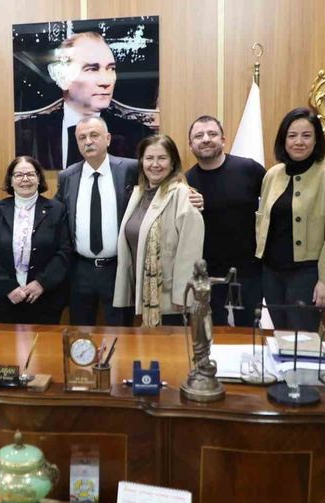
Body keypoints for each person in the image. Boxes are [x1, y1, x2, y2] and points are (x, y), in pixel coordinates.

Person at [56, 117, 202, 326]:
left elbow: (166, 182)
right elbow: (57, 213)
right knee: (80, 331)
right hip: (80, 270)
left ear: (108, 138)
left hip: (119, 268)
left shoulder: (130, 169)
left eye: (94, 135)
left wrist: (192, 196)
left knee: (121, 332)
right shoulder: (67, 176)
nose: (88, 141)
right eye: (82, 137)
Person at [255, 107, 325, 332]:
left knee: (303, 339)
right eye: (292, 135)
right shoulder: (272, 175)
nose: (299, 142)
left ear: (316, 140)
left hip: (307, 275)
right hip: (271, 273)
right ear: (283, 140)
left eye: (306, 135)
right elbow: (262, 222)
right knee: (280, 334)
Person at [15, 31, 153, 169]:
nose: (106, 81)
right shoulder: (26, 133)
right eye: (92, 69)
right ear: (64, 77)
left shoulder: (138, 136)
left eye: (111, 68)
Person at [113, 134, 204, 327]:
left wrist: (183, 296)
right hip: (140, 293)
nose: (155, 164)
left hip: (171, 300)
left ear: (173, 163)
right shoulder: (138, 194)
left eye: (162, 158)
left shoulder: (183, 195)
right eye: (149, 158)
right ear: (141, 162)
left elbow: (190, 253)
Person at [185, 115, 265, 327]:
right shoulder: (186, 181)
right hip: (207, 275)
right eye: (199, 136)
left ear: (223, 140)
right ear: (190, 145)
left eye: (212, 134)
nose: (205, 139)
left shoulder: (249, 169)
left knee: (248, 332)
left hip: (249, 272)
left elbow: (274, 207)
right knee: (213, 332)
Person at [0, 156, 72, 324]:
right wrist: (9, 288)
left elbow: (64, 252)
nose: (25, 179)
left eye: (30, 174)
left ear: (39, 178)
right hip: (5, 298)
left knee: (44, 341)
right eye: (19, 175)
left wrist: (41, 283)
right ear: (11, 180)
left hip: (45, 298)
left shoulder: (56, 210)